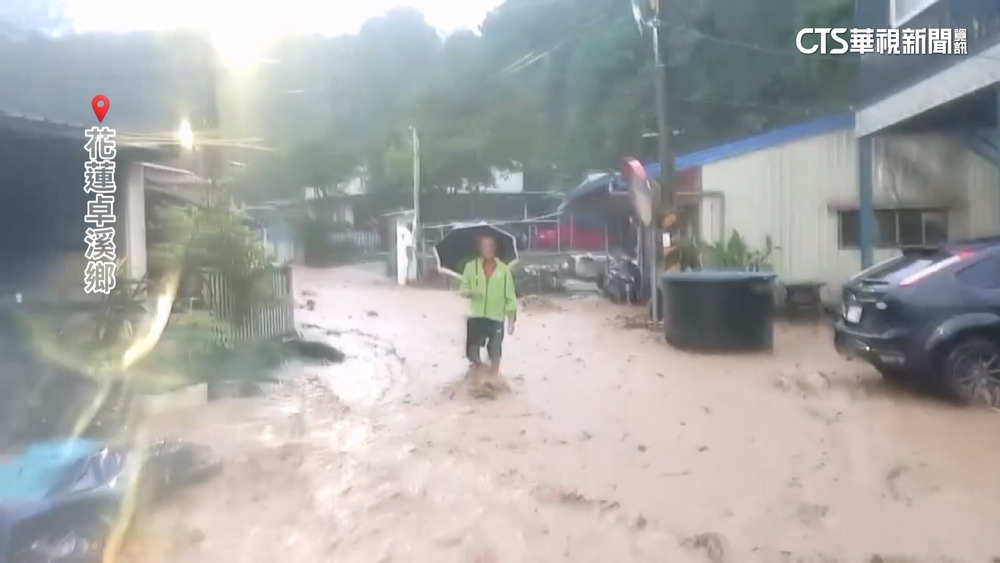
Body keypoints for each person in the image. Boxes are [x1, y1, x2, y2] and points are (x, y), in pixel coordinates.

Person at [459, 234, 517, 376]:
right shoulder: (470, 267)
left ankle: (494, 382)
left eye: (491, 245)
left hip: (496, 317)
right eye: (484, 246)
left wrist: (511, 320)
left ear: (496, 247)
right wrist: (473, 292)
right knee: (472, 352)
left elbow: (510, 296)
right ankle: (479, 375)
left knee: (495, 352)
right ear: (479, 248)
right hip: (476, 315)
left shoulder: (504, 270)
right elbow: (463, 290)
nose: (488, 249)